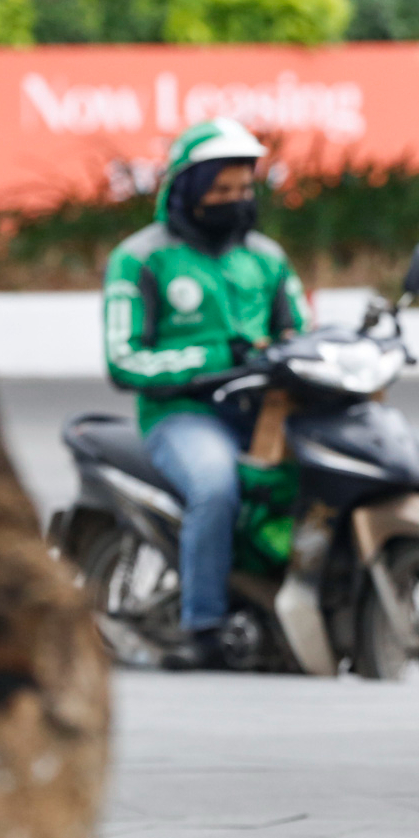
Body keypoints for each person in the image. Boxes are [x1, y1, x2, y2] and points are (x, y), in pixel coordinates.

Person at [103, 117, 310, 669]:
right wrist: (211, 360)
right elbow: (122, 358)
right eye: (221, 190)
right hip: (183, 416)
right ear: (188, 191)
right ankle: (204, 625)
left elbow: (299, 334)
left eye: (244, 189)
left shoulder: (266, 258)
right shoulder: (141, 258)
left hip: (263, 413)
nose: (235, 200)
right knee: (217, 488)